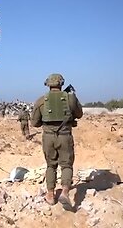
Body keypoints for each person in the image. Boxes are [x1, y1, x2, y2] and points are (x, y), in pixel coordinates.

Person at [31, 73, 83, 210]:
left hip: (48, 137)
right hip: (65, 136)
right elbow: (79, 114)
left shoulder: (41, 100)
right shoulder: (70, 98)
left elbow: (34, 123)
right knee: (66, 165)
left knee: (51, 165)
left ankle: (50, 195)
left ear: (48, 84)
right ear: (62, 83)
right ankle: (65, 192)